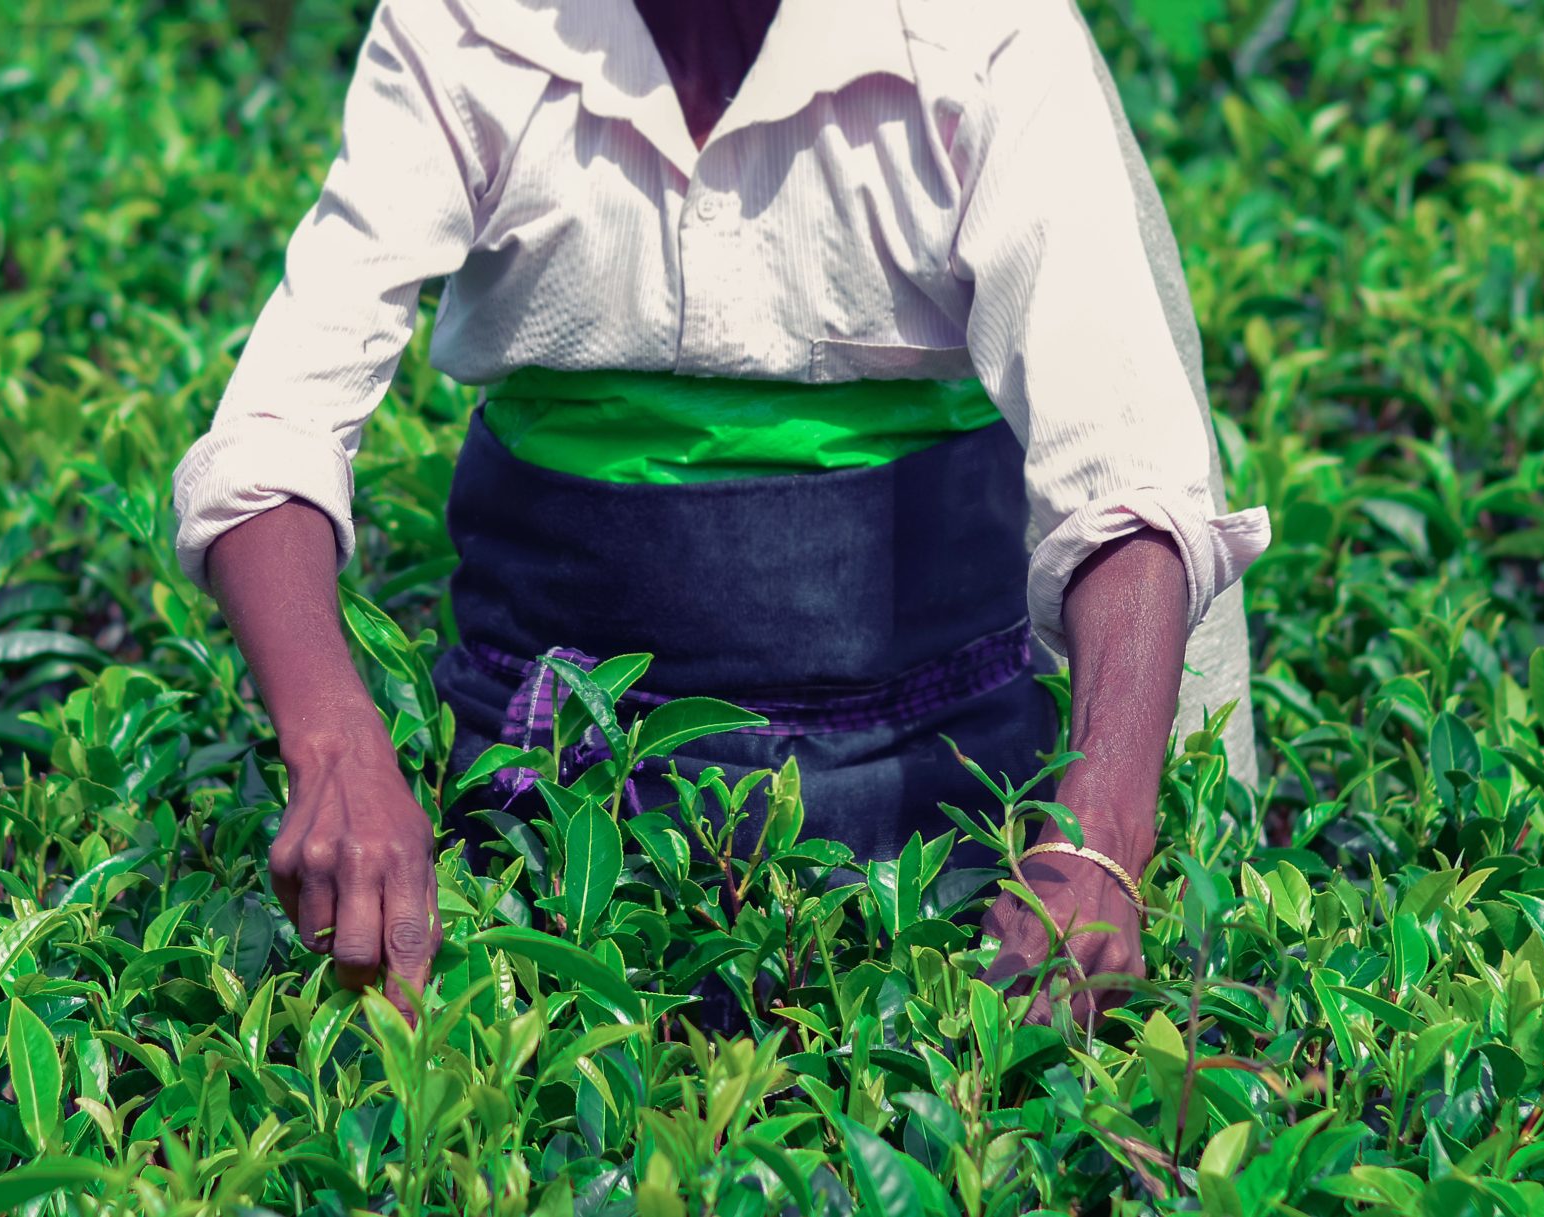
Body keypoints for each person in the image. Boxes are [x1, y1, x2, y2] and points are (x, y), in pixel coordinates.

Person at [171, 0, 1268, 1023]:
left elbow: (1123, 480)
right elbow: (273, 434)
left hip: (931, 769)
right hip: (546, 773)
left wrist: (1098, 838)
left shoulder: (977, 31)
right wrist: (336, 744)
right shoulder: (469, 23)